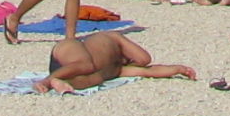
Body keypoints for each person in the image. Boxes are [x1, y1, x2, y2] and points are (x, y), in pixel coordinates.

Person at [42, 29, 196, 92]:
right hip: (70, 49)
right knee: (86, 65)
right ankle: (47, 80)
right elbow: (144, 59)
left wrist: (177, 69)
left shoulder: (118, 69)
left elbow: (147, 70)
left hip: (75, 67)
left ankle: (61, 82)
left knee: (94, 79)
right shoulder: (114, 37)